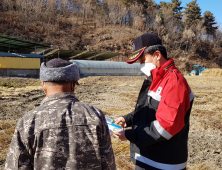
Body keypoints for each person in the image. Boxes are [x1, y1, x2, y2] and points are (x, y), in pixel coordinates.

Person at [5, 58, 116, 170]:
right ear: (73, 85)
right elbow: (108, 163)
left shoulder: (29, 121)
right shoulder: (94, 115)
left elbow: (17, 165)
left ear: (43, 85)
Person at [114, 33, 194, 170]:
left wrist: (129, 135)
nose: (141, 65)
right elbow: (147, 108)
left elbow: (165, 127)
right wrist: (128, 119)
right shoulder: (155, 78)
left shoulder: (174, 82)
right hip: (148, 157)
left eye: (142, 60)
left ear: (157, 55)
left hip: (164, 163)